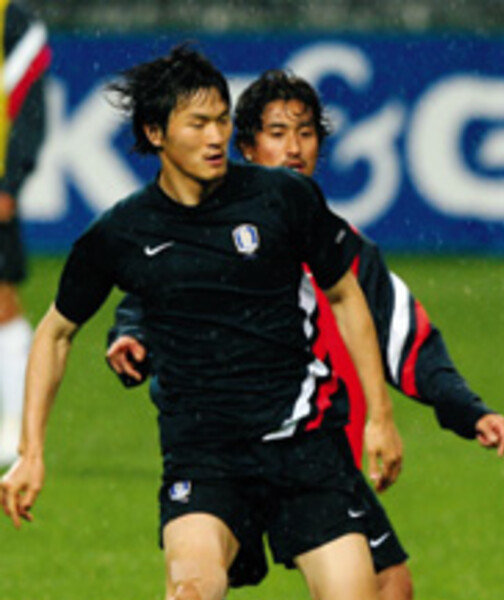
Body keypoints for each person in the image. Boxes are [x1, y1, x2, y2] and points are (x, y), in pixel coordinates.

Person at [0, 46, 404, 600]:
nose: (216, 137)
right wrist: (31, 452)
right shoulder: (122, 233)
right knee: (192, 589)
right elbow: (55, 333)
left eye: (221, 120)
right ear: (156, 133)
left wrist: (380, 416)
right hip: (204, 456)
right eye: (198, 124)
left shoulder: (282, 197)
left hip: (303, 444)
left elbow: (344, 294)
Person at [106, 69, 504, 600]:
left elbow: (406, 338)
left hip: (311, 449)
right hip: (219, 450)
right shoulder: (205, 229)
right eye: (277, 133)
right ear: (246, 147)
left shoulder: (341, 247)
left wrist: (466, 409)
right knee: (199, 582)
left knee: (390, 586)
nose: (294, 148)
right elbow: (153, 292)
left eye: (305, 133)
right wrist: (130, 333)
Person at [0, 1, 51, 465]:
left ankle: (17, 425)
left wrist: (11, 182)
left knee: (1, 301)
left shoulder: (11, 19)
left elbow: (31, 105)